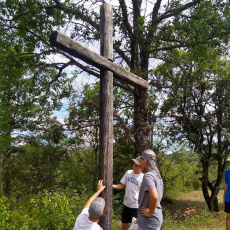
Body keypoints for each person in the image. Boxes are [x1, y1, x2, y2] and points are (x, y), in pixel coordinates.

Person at [113, 156, 144, 230]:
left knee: (136, 226)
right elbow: (122, 185)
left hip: (136, 205)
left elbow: (144, 194)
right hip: (126, 203)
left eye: (137, 165)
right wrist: (111, 186)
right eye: (134, 164)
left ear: (141, 168)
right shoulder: (128, 173)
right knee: (124, 224)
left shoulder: (144, 178)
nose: (134, 166)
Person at [137, 149, 164, 230]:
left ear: (144, 161)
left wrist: (150, 213)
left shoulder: (148, 176)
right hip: (155, 219)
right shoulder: (157, 176)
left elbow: (155, 196)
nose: (140, 163)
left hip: (149, 222)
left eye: (140, 161)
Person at [224, 157, 230, 230]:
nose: (229, 163)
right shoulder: (227, 172)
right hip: (228, 196)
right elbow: (226, 185)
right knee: (228, 216)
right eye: (229, 162)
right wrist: (224, 196)